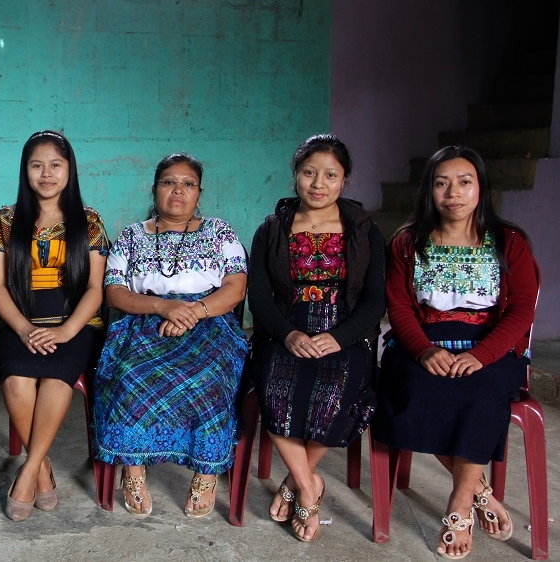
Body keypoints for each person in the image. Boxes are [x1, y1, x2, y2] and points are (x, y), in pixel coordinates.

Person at [372, 146, 539, 559]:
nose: (453, 194)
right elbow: (399, 306)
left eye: (465, 182)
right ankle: (480, 491)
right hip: (423, 340)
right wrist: (423, 350)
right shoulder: (408, 243)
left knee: (480, 394)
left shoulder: (510, 242)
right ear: (429, 190)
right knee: (411, 389)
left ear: (481, 188)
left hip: (491, 343)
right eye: (441, 183)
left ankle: (460, 503)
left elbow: (521, 309)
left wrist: (484, 354)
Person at [93, 153, 248, 518]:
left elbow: (236, 287)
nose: (178, 190)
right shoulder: (132, 235)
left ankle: (206, 472)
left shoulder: (220, 232)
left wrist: (192, 312)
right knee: (130, 374)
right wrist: (164, 307)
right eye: (169, 182)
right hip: (145, 319)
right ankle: (132, 469)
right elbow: (115, 292)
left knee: (211, 377)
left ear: (199, 193)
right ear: (154, 189)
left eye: (188, 184)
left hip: (208, 320)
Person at [247, 134, 385, 542]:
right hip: (285, 327)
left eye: (330, 175)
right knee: (274, 388)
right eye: (309, 173)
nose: (318, 184)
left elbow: (375, 301)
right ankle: (310, 487)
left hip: (345, 329)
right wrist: (288, 334)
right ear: (295, 175)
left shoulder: (365, 231)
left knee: (336, 390)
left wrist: (340, 337)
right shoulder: (272, 229)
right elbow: (259, 298)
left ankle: (295, 479)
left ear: (344, 179)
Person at [0, 130, 109, 521]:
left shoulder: (89, 222)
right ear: (25, 171)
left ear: (70, 169)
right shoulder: (4, 221)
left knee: (56, 381)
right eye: (37, 165)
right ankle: (42, 469)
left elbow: (95, 288)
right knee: (17, 380)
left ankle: (29, 470)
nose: (46, 174)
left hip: (74, 322)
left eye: (56, 165)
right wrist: (23, 329)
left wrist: (67, 331)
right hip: (18, 320)